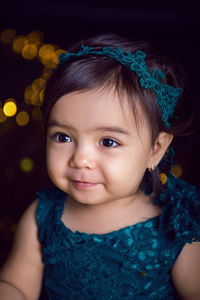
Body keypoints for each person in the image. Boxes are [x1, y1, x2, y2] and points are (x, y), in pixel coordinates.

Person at [0, 33, 200, 300]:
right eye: (63, 137)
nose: (80, 159)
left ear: (155, 150)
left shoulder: (176, 226)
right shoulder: (42, 216)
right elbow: (17, 285)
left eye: (108, 141)